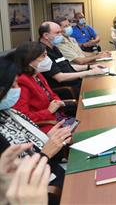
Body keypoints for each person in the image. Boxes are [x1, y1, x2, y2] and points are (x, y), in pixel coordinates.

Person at [0, 57, 70, 191]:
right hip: (39, 188)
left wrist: (48, 136)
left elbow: (28, 138)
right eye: (14, 85)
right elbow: (15, 181)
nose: (18, 89)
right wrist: (46, 153)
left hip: (51, 169)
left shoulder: (8, 111)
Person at [13, 41, 76, 133]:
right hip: (47, 124)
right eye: (43, 56)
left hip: (58, 117)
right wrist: (49, 111)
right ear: (29, 60)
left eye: (46, 55)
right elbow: (23, 117)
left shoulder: (37, 74)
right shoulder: (22, 82)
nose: (47, 59)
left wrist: (58, 101)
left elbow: (51, 94)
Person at [39, 22, 105, 94]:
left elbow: (67, 66)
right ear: (46, 35)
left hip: (77, 83)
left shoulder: (54, 48)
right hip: (68, 90)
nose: (60, 35)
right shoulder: (42, 52)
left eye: (61, 32)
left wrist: (90, 67)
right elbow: (60, 77)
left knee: (102, 83)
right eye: (57, 33)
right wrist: (89, 72)